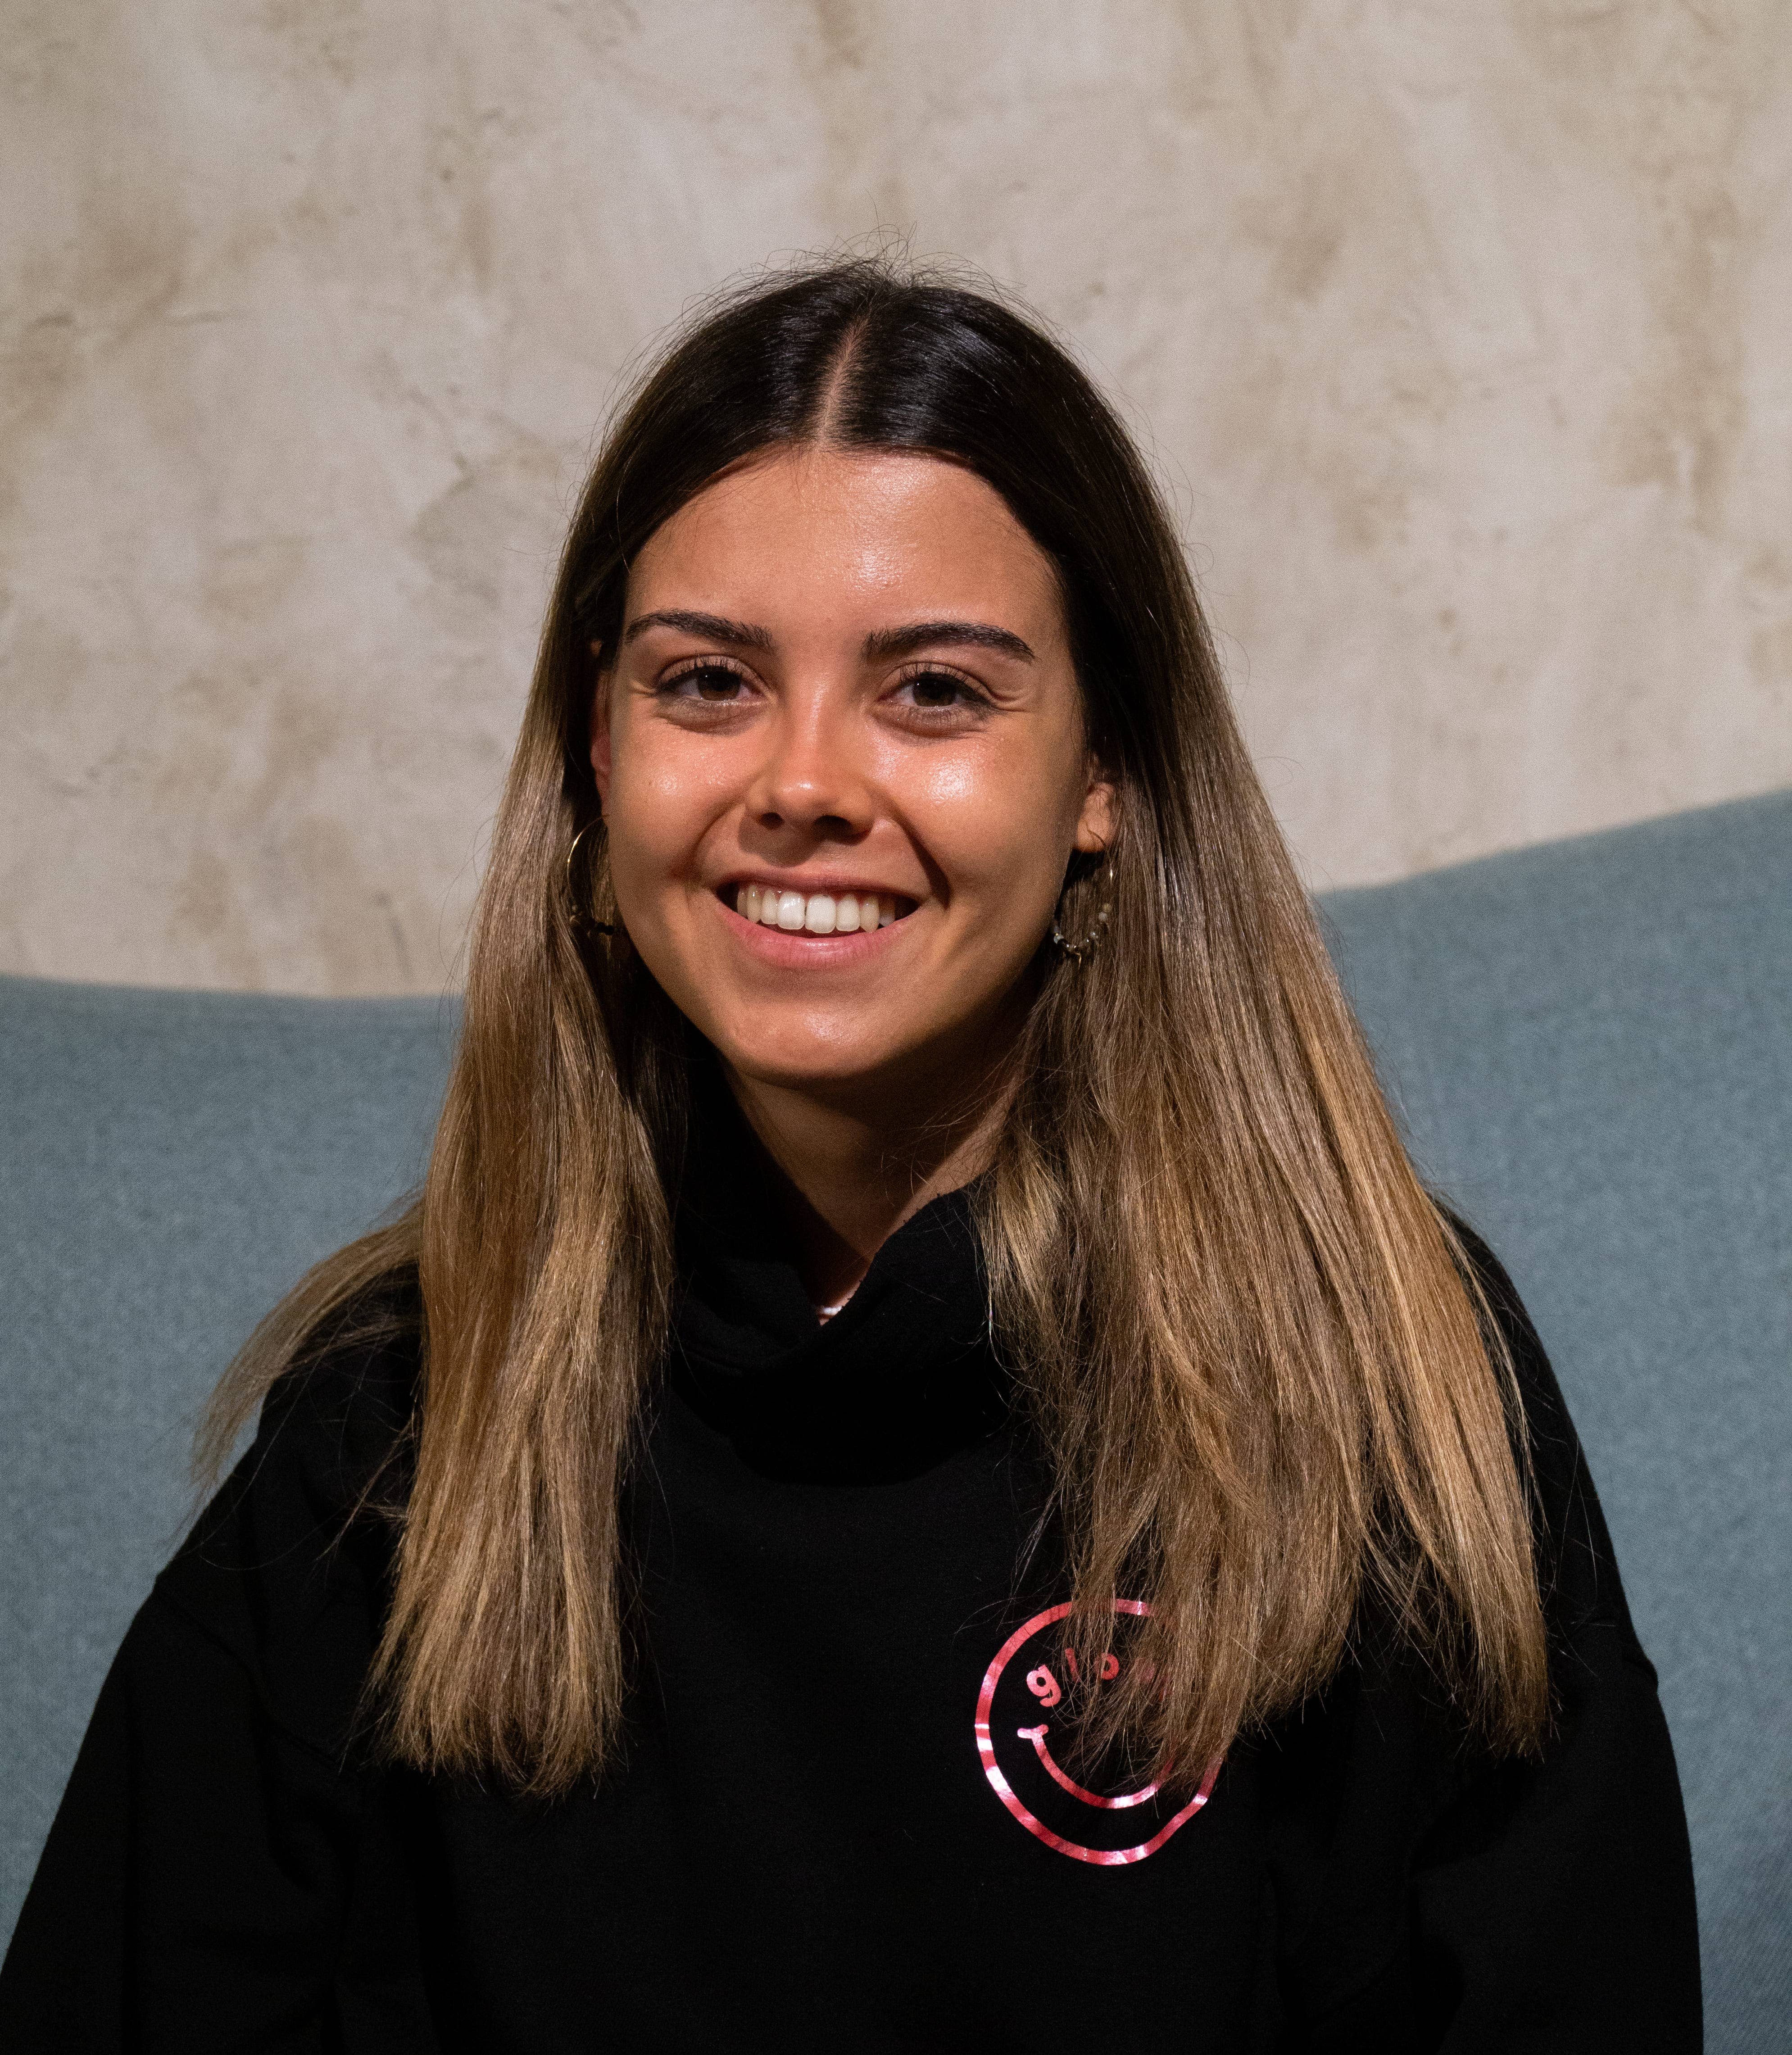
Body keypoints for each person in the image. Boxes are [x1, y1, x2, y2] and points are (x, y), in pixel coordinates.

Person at [0, 258, 1700, 2051]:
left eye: (935, 690)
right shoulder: (399, 1421)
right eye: (709, 681)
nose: (802, 781)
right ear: (599, 745)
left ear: (1104, 771)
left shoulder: (1375, 1379)